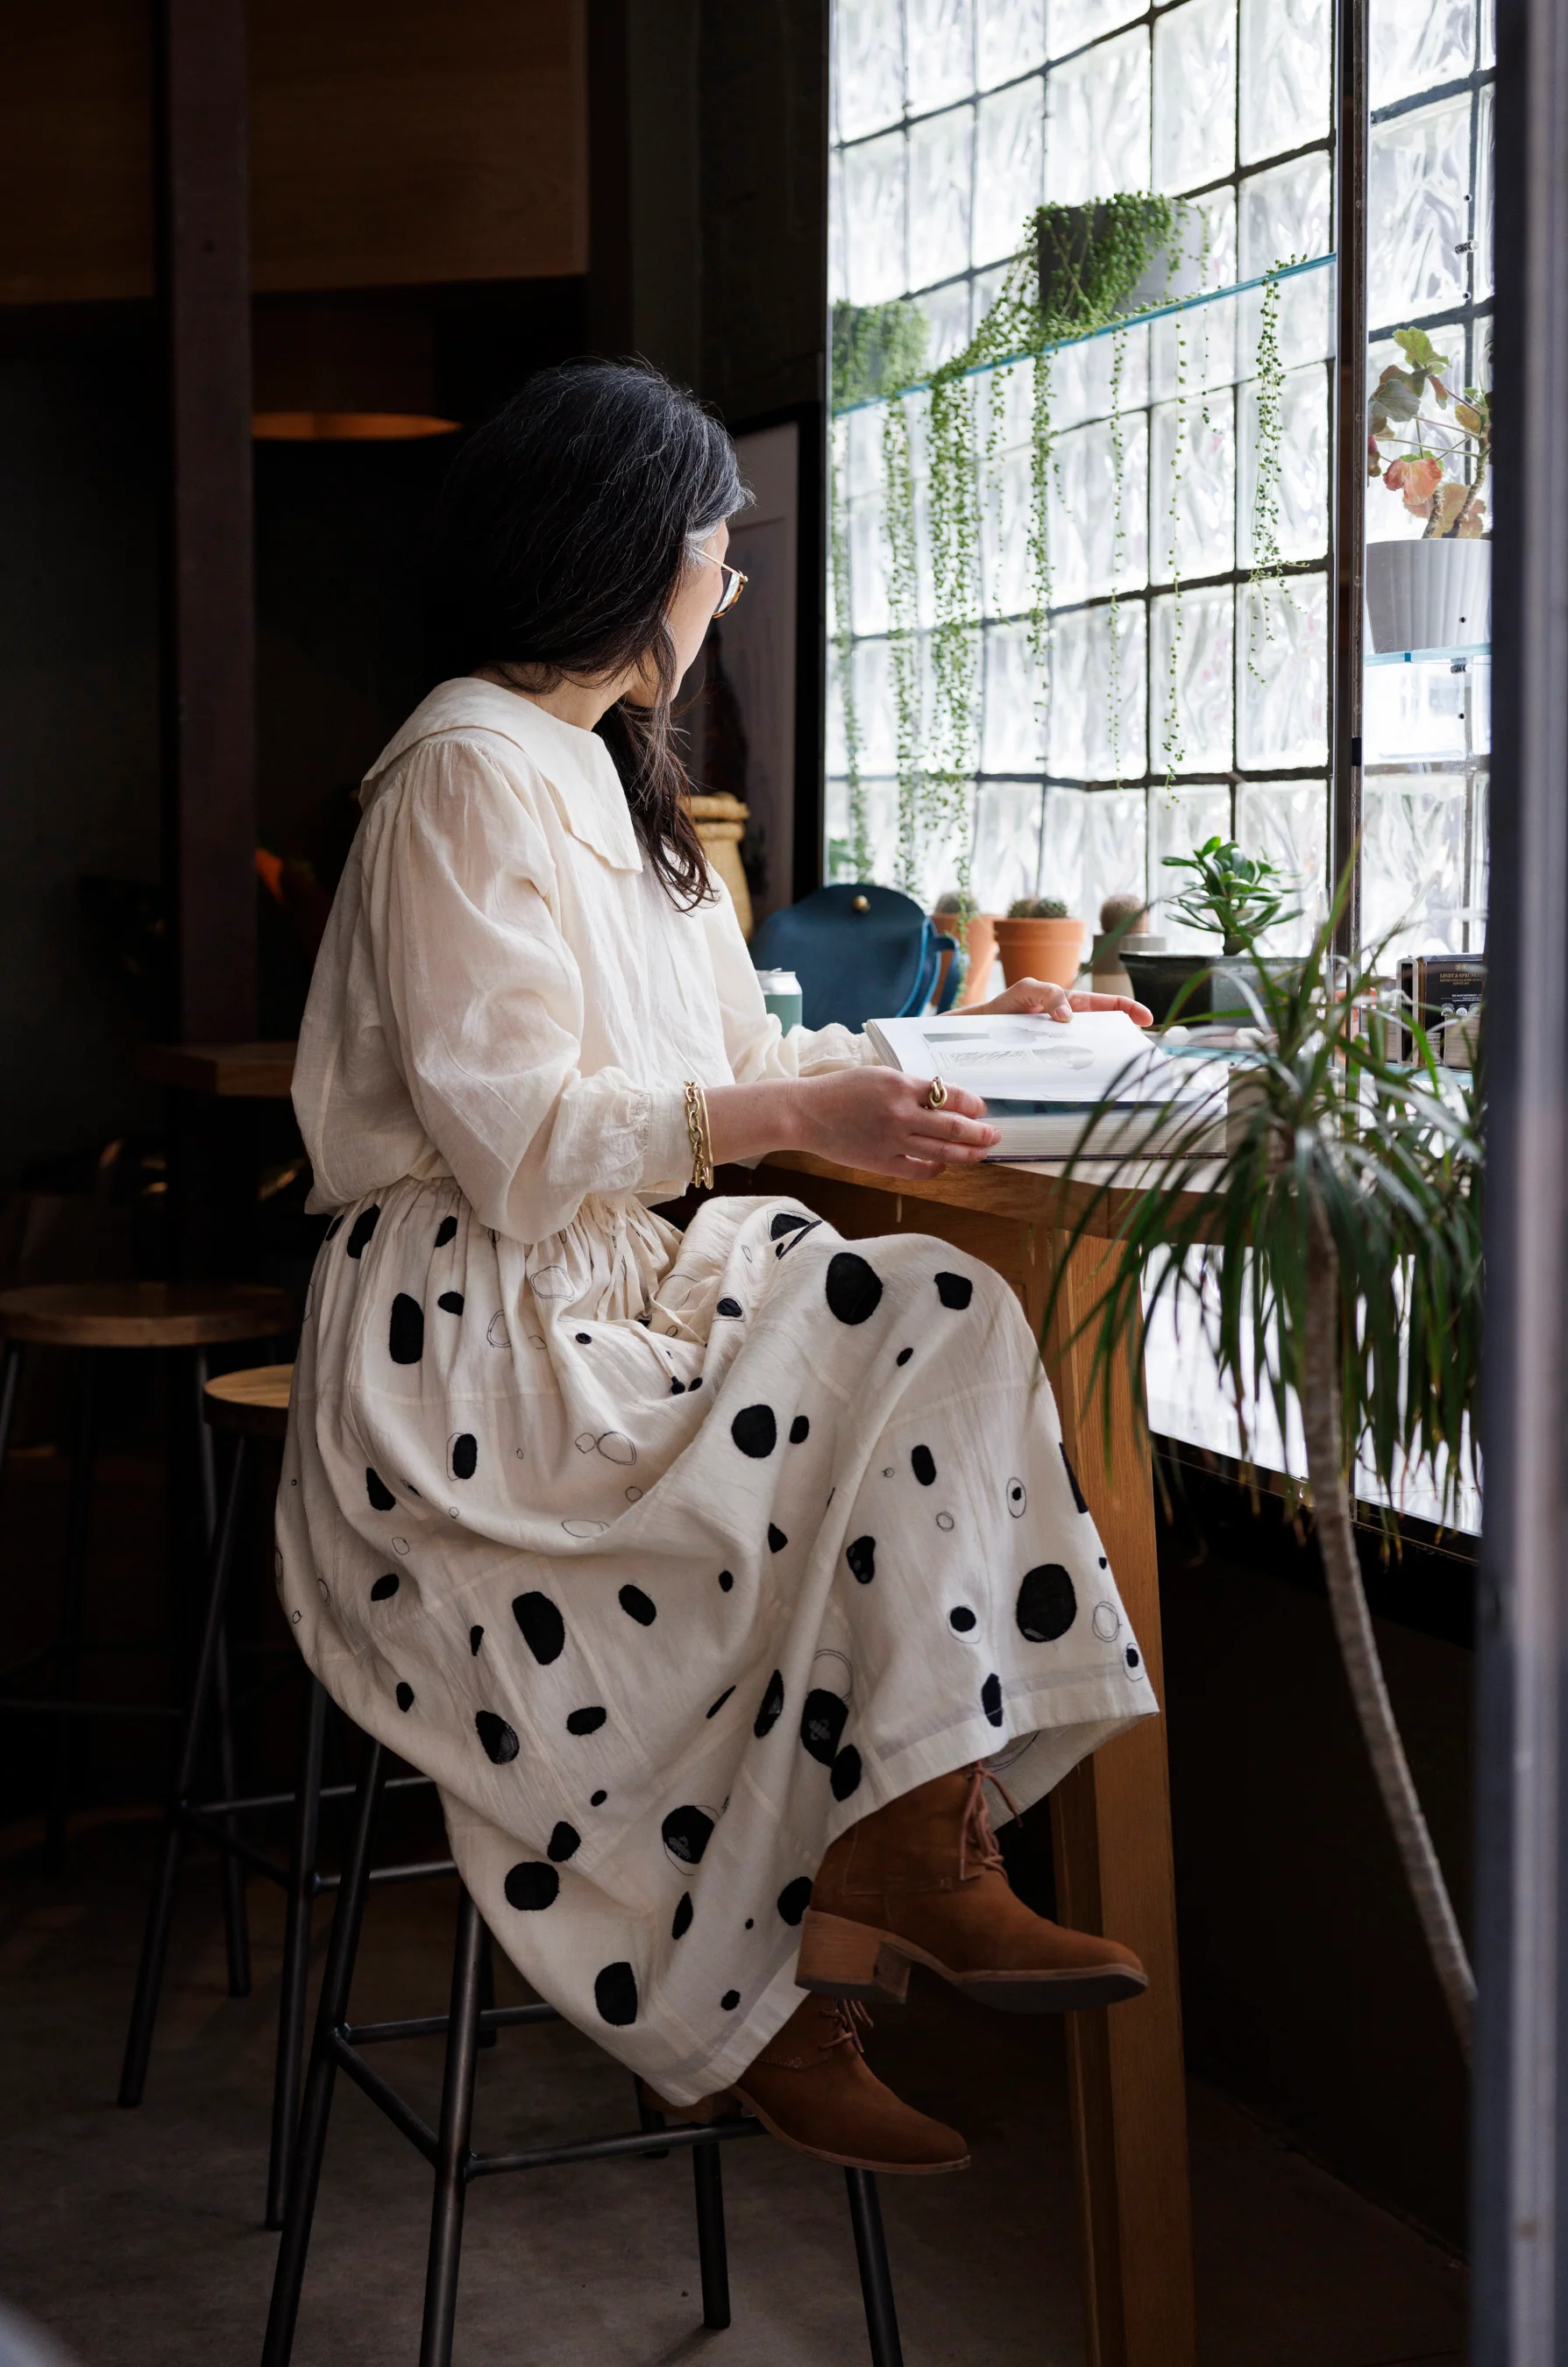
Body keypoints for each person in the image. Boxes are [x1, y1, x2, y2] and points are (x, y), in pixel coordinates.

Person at [278, 360, 1159, 2178]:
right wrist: (793, 1118)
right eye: (717, 557)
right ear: (625, 553)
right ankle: (783, 1996)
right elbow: (518, 1134)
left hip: (606, 1292)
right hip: (478, 1341)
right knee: (850, 1426)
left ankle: (912, 1848)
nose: (726, 591)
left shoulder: (612, 778)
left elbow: (745, 1050)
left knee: (938, 1312)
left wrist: (986, 1030)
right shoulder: (465, 768)